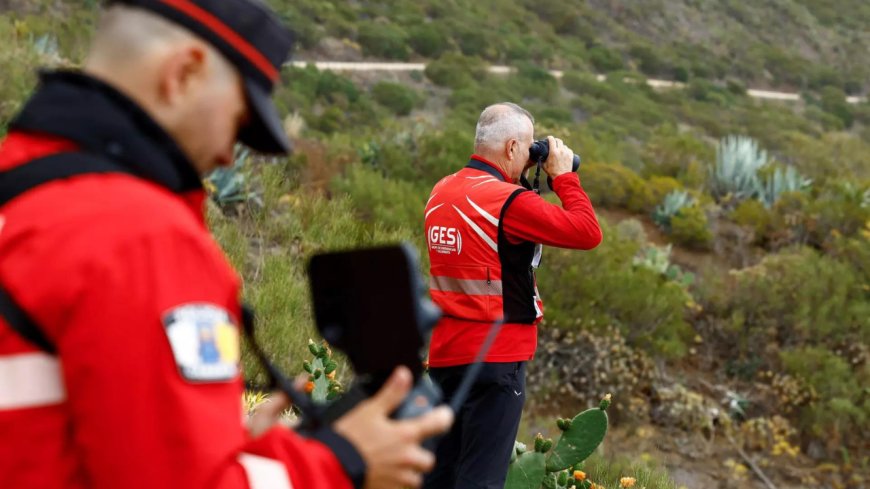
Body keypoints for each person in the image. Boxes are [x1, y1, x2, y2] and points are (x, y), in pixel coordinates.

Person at [0, 1, 451, 489]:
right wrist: (342, 461)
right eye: (240, 120)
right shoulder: (141, 237)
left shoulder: (21, 193)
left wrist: (225, 446)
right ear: (183, 74)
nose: (225, 153)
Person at [422, 102, 602, 489]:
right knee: (481, 478)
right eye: (526, 149)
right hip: (497, 355)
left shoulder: (441, 192)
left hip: (445, 354)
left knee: (440, 473)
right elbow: (588, 232)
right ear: (511, 148)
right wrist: (563, 179)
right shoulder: (508, 202)